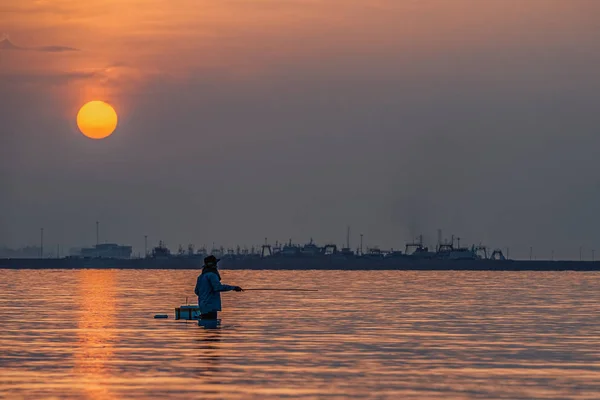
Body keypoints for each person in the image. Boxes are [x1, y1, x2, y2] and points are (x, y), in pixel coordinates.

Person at [194, 255, 242, 321]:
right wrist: (233, 288)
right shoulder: (212, 275)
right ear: (213, 265)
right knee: (212, 328)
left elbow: (196, 291)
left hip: (202, 307)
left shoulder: (201, 277)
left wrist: (204, 296)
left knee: (205, 327)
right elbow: (218, 287)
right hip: (211, 308)